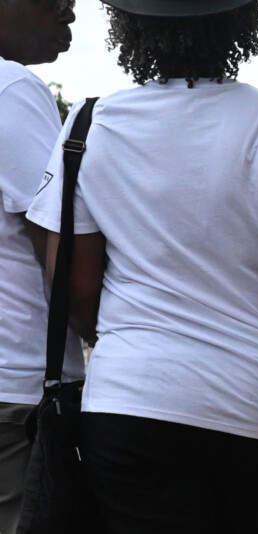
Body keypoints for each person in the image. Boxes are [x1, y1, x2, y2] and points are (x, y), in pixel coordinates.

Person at [25, 1, 258, 531]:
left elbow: (75, 281)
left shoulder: (89, 125)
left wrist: (130, 342)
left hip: (133, 402)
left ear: (129, 27)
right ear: (243, 23)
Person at [0, 2, 82, 532]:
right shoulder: (10, 88)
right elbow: (60, 247)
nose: (68, 18)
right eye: (57, 1)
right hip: (21, 394)